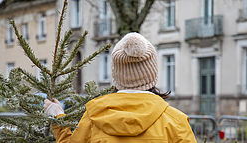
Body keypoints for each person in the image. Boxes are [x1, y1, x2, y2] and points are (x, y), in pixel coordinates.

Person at [44, 32, 197, 143]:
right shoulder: (176, 121)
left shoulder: (93, 118)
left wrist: (57, 118)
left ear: (116, 75)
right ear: (152, 74)